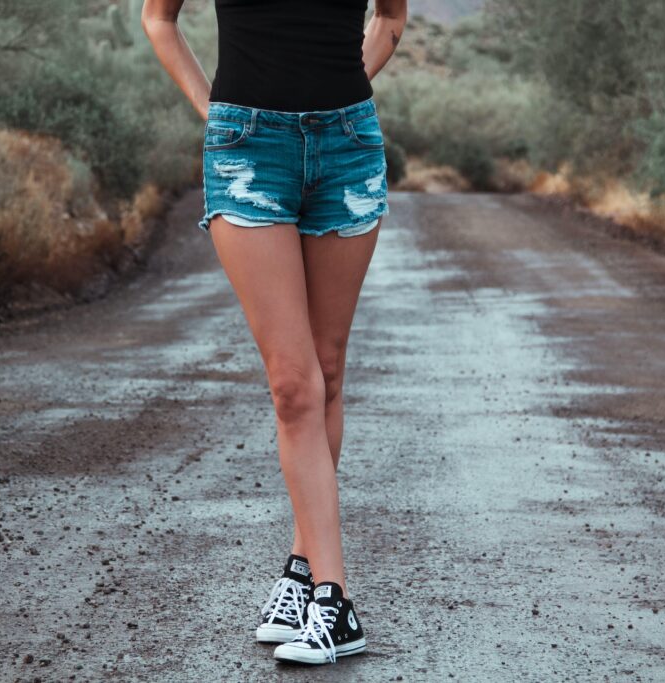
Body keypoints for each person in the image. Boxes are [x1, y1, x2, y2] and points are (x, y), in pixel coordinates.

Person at [142, 0, 407, 666]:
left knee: (328, 367)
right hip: (247, 151)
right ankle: (335, 600)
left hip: (347, 147)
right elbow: (157, 18)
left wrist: (349, 91)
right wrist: (213, 110)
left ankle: (301, 573)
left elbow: (392, 17)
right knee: (293, 384)